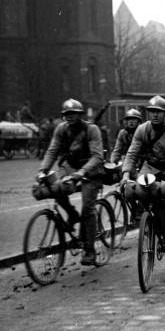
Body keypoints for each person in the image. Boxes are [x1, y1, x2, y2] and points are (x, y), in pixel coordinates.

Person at [121, 95, 165, 272]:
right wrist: (125, 174)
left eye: (158, 112)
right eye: (151, 112)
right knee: (136, 191)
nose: (154, 115)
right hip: (151, 168)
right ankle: (149, 221)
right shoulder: (142, 130)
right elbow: (132, 153)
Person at [38, 99, 104, 266]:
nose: (69, 117)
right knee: (54, 188)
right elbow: (52, 150)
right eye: (66, 114)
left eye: (73, 114)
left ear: (80, 114)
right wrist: (42, 170)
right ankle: (72, 214)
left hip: (90, 171)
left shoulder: (91, 129)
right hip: (70, 167)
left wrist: (82, 172)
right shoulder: (61, 129)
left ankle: (90, 250)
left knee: (88, 207)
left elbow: (97, 156)